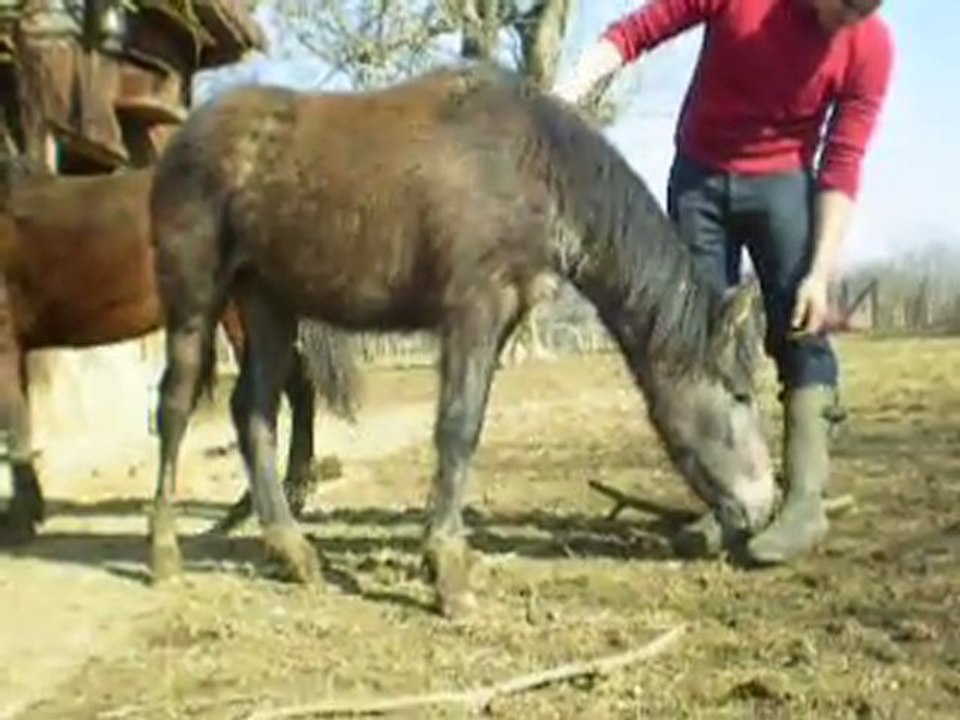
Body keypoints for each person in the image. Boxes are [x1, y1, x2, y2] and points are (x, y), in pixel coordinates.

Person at [553, 0, 893, 565]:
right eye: (843, 6)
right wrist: (564, 96)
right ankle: (735, 498)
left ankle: (804, 502)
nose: (846, 23)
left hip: (783, 187)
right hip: (699, 183)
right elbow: (635, 33)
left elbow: (843, 161)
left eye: (864, 11)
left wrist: (818, 272)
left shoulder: (870, 46)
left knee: (802, 328)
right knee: (701, 346)